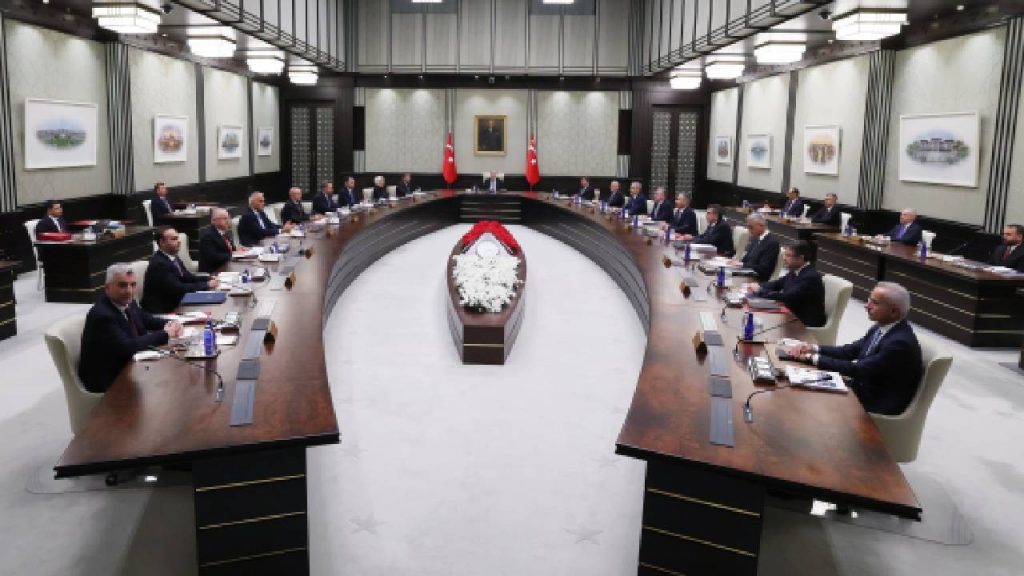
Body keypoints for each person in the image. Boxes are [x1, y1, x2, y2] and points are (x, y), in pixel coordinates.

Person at [785, 282, 923, 416]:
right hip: (861, 388)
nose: (866, 306)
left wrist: (811, 358)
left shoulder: (899, 343)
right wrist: (813, 349)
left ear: (893, 311)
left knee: (810, 402)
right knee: (799, 385)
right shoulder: (881, 327)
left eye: (874, 303)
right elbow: (849, 351)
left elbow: (859, 370)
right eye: (869, 300)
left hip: (874, 402)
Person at [78, 263, 184, 393]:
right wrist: (166, 334)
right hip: (110, 381)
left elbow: (148, 320)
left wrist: (172, 323)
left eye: (133, 285)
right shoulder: (102, 315)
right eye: (122, 285)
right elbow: (128, 347)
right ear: (107, 287)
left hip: (130, 366)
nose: (129, 291)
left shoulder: (128, 302)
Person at [745, 241, 826, 327]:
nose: (784, 258)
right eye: (784, 254)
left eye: (788, 255)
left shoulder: (810, 277)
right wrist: (756, 285)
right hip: (791, 315)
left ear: (801, 258)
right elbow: (777, 284)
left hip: (803, 323)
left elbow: (787, 297)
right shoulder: (796, 270)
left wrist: (760, 290)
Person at [141, 226, 219, 313]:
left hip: (177, 303)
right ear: (162, 242)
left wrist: (208, 278)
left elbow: (188, 277)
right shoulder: (159, 264)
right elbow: (178, 288)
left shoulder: (173, 257)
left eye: (177, 238)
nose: (179, 241)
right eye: (174, 239)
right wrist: (207, 285)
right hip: (163, 311)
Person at [730, 213, 779, 282]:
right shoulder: (755, 238)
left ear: (761, 225)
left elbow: (764, 269)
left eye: (751, 227)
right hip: (746, 273)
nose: (749, 230)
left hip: (757, 279)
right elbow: (747, 258)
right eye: (748, 227)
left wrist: (742, 264)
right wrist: (737, 263)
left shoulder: (772, 243)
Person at [199, 208, 241, 273]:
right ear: (214, 221)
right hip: (214, 272)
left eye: (228, 218)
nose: (228, 221)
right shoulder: (208, 236)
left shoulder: (223, 232)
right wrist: (233, 255)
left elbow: (231, 250)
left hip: (227, 267)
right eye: (224, 218)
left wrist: (240, 252)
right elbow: (213, 257)